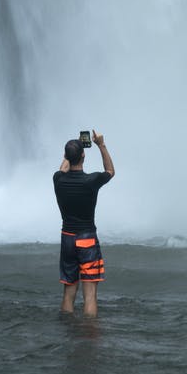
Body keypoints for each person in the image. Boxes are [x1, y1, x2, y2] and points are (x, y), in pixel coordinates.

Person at [53, 129, 115, 317]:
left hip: (67, 239)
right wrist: (101, 145)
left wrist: (70, 153)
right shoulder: (91, 181)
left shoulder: (58, 180)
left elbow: (63, 168)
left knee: (69, 291)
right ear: (83, 155)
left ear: (65, 156)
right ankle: (89, 337)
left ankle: (67, 331)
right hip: (87, 239)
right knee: (90, 296)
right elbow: (110, 171)